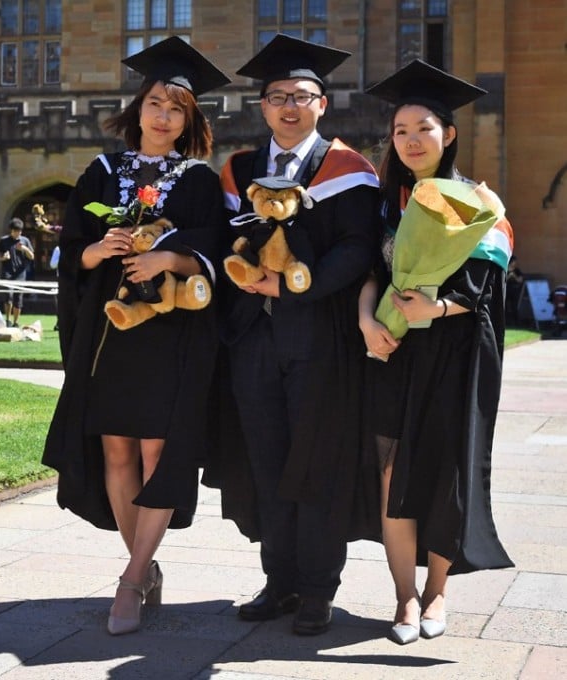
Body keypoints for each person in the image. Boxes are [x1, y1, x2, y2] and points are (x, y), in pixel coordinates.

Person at [42, 36, 228, 636]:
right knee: (116, 449)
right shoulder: (101, 171)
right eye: (154, 103)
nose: (162, 116)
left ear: (189, 119)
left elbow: (216, 249)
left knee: (156, 450)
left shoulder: (199, 179)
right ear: (138, 108)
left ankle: (130, 580)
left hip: (170, 336)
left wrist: (168, 261)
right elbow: (71, 249)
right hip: (109, 337)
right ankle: (141, 567)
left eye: (175, 108)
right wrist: (97, 251)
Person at [207, 34, 381, 636]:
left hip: (319, 341)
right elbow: (222, 243)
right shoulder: (240, 170)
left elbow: (359, 249)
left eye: (301, 96)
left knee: (318, 462)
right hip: (253, 342)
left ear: (322, 104)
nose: (288, 106)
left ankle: (316, 589)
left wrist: (293, 288)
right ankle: (278, 580)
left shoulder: (350, 171)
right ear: (261, 106)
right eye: (277, 96)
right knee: (267, 462)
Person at [359, 59, 514, 645]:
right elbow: (370, 270)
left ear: (448, 134)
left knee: (444, 474)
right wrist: (365, 316)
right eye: (400, 131)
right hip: (392, 351)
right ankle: (402, 599)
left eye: (423, 128)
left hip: (452, 353)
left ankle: (438, 593)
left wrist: (438, 308)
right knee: (391, 470)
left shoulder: (477, 202)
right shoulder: (384, 203)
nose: (411, 140)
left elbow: (483, 288)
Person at [0, 217, 34, 326]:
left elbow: (32, 256)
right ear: (11, 230)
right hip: (8, 272)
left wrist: (24, 249)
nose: (18, 233)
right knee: (8, 296)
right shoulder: (4, 241)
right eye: (16, 231)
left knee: (18, 299)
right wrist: (3, 257)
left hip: (20, 274)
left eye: (20, 231)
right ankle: (7, 320)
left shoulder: (25, 241)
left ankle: (16, 322)